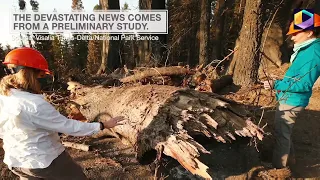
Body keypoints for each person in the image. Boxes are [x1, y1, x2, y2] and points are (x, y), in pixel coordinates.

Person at [0, 47, 125, 180]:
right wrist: (102, 125)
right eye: (41, 75)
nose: (43, 79)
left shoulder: (3, 96)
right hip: (44, 160)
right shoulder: (34, 104)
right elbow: (70, 127)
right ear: (28, 73)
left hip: (17, 162)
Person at [263, 14, 320, 169]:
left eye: (296, 33)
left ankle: (279, 170)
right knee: (284, 132)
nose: (293, 38)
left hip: (292, 100)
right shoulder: (307, 49)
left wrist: (277, 84)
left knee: (282, 135)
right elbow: (297, 76)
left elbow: (303, 84)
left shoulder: (313, 53)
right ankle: (291, 161)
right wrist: (279, 82)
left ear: (309, 32)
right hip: (289, 97)